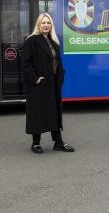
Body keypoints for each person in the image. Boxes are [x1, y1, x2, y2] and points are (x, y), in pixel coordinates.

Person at [22, 13, 74, 154]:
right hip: (39, 83)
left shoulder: (53, 41)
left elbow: (57, 62)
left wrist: (61, 75)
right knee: (38, 112)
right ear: (38, 25)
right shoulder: (31, 41)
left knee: (55, 112)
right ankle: (36, 143)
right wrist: (35, 78)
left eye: (48, 23)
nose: (46, 25)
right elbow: (26, 64)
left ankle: (58, 142)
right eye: (43, 23)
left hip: (53, 83)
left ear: (51, 25)